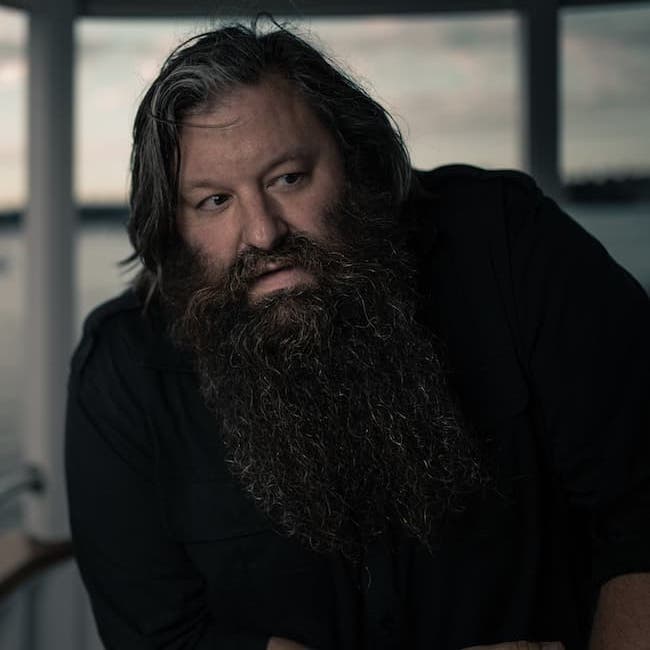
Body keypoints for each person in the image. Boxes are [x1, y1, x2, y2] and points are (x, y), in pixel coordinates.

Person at [65, 19, 650, 650]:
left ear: (356, 161)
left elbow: (644, 507)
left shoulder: (509, 246)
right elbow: (160, 639)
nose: (262, 234)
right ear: (172, 228)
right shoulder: (122, 376)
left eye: (288, 178)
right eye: (213, 201)